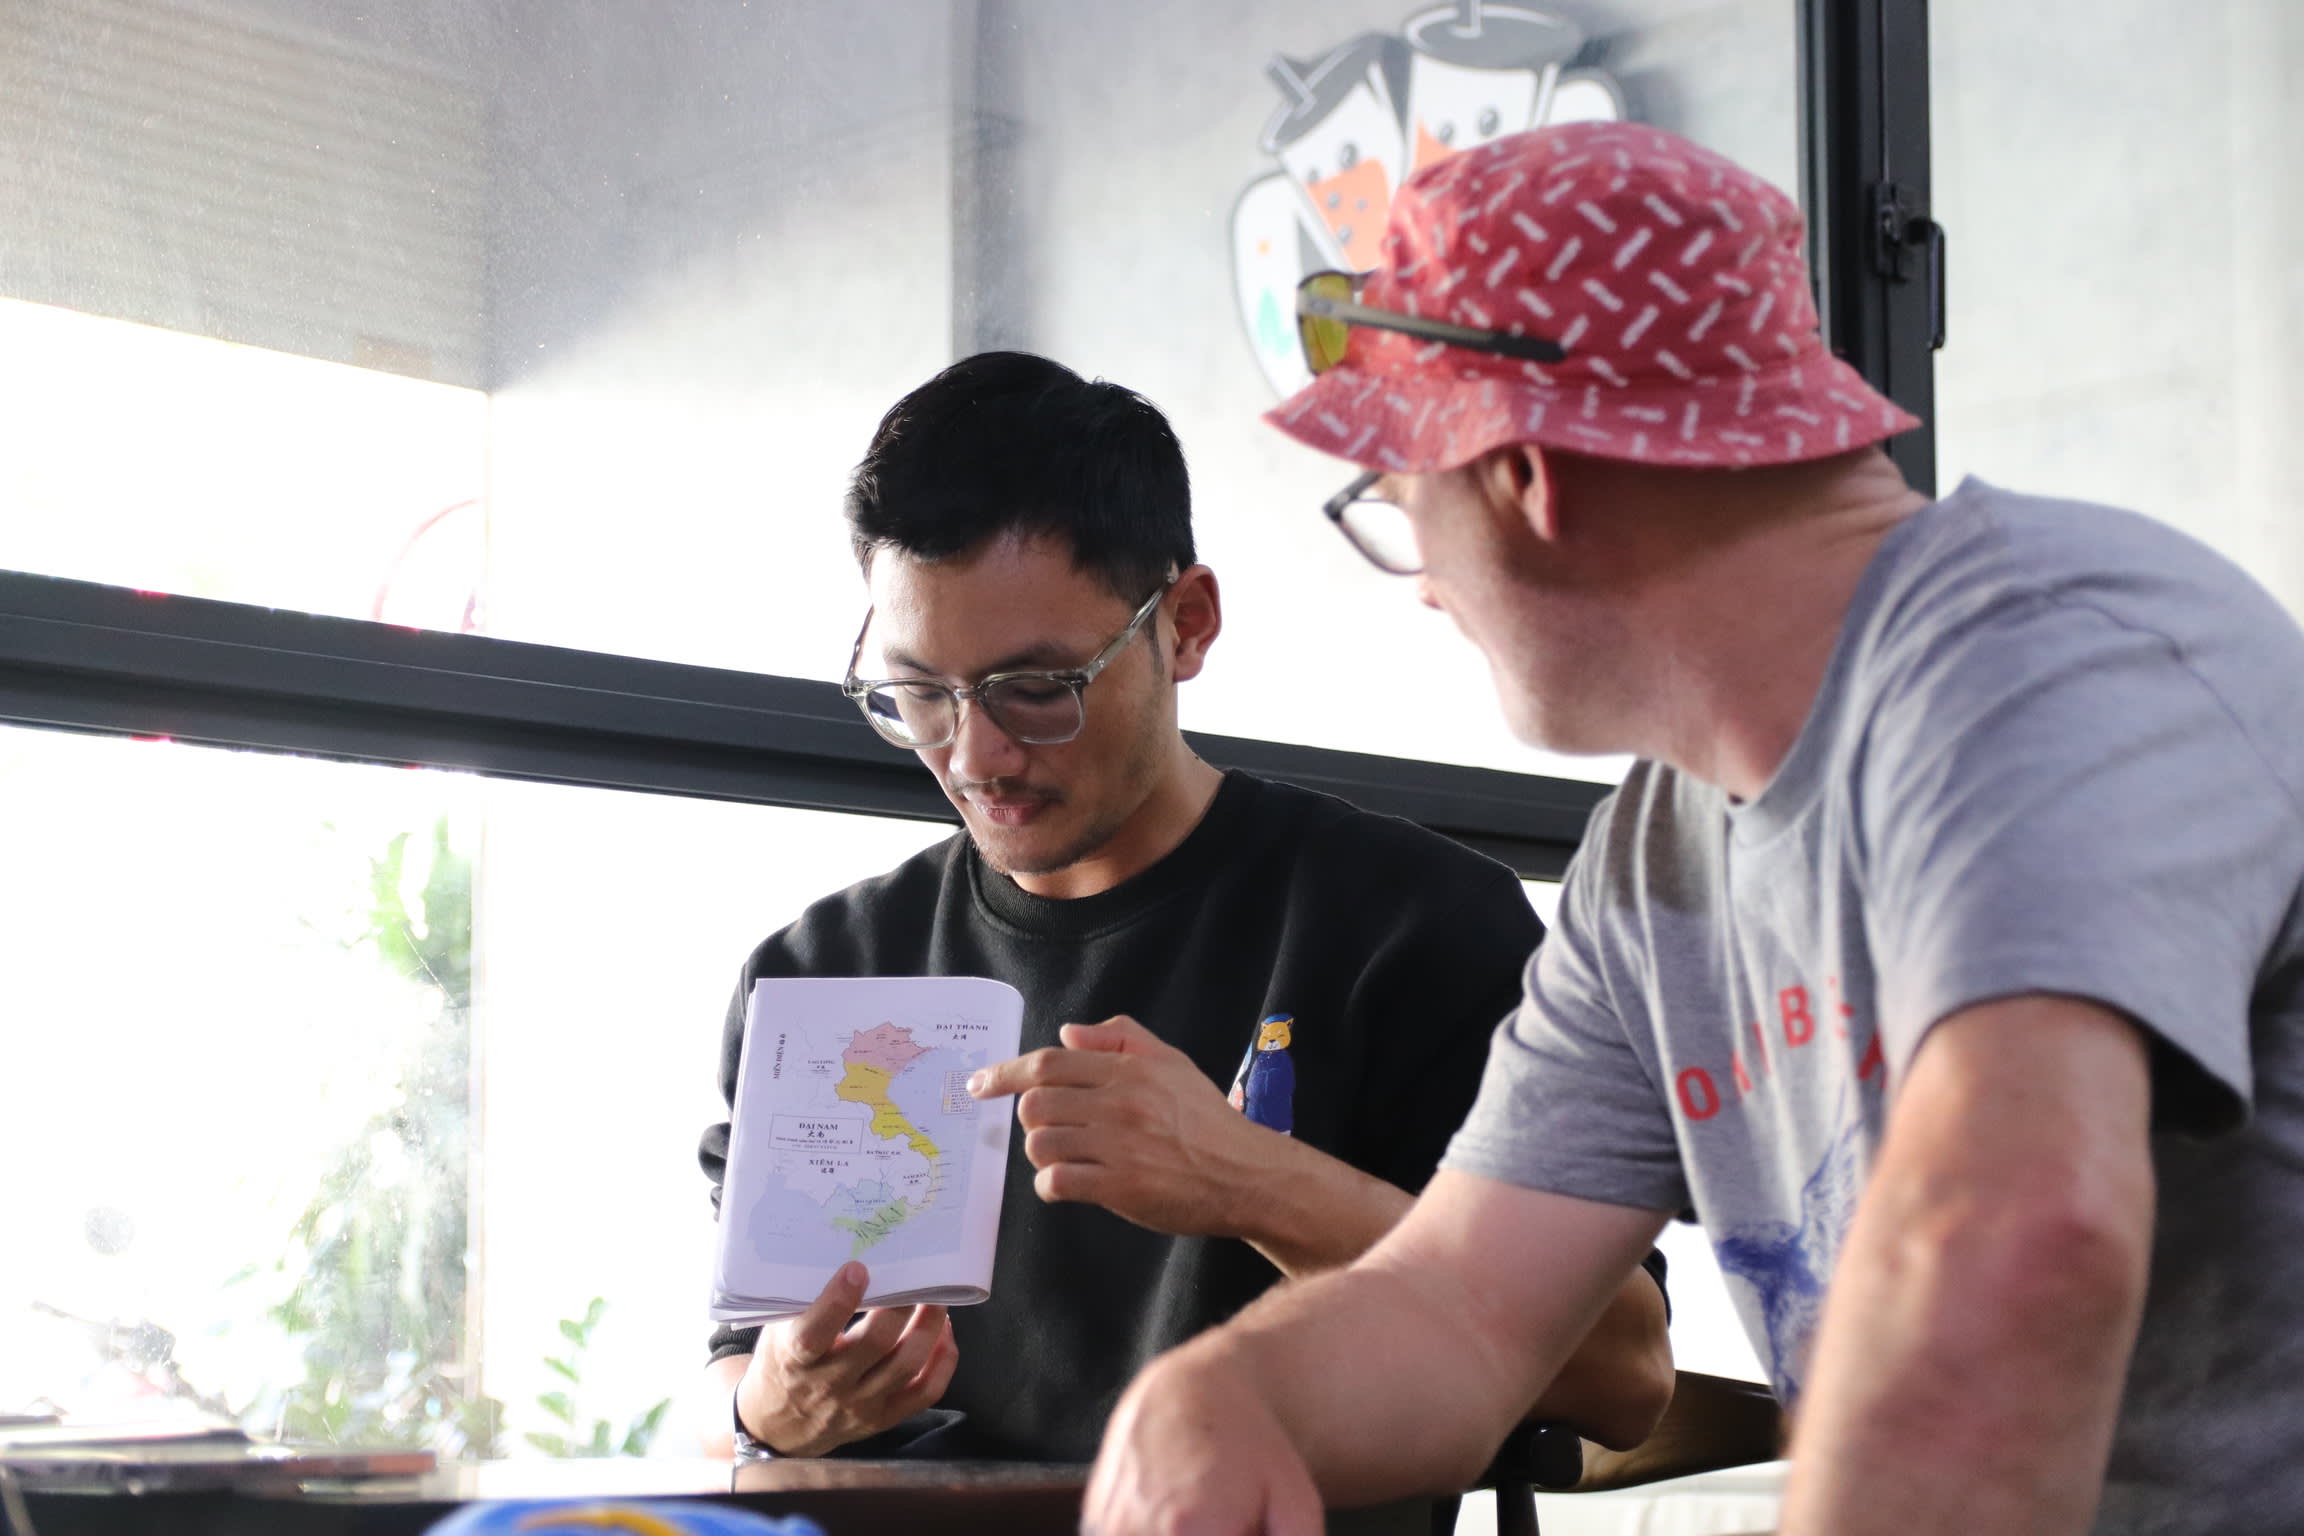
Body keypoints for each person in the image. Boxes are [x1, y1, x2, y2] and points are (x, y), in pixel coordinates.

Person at [1085, 120, 2304, 1536]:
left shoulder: (2045, 666)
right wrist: (1224, 1398)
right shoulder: (1654, 862)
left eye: (1402, 505)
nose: (1421, 586)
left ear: (1523, 475)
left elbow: (2019, 1239)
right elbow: (1464, 1308)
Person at [695, 351, 1673, 1468]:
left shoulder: (1408, 927)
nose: (975, 754)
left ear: (1187, 625)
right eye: (918, 694)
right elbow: (738, 1374)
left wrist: (1247, 1179)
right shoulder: (824, 974)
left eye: (1037, 689)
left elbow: (1626, 1376)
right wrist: (769, 1410)